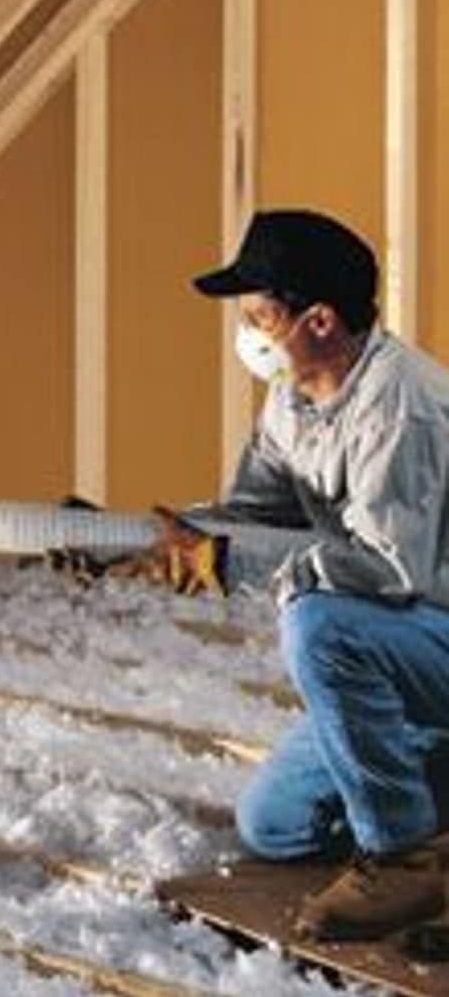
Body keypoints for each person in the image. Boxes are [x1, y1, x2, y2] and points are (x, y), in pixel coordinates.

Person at [181, 209, 449, 941]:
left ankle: (404, 859)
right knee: (276, 826)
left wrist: (241, 560)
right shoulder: (293, 400)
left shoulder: (404, 408)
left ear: (321, 321)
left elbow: (394, 571)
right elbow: (254, 509)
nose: (250, 332)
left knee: (320, 624)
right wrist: (181, 536)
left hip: (426, 619)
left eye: (262, 314)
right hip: (413, 649)